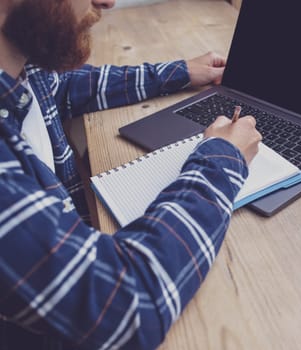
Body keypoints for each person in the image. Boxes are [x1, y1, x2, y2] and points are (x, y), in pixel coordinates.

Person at [0, 0, 261, 349]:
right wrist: (222, 160)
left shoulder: (19, 71)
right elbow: (124, 305)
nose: (107, 1)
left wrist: (178, 72)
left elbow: (58, 86)